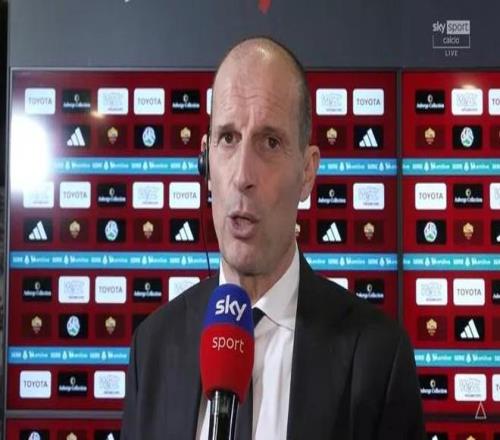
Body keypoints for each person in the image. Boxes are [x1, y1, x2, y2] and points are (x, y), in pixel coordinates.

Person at [121, 37, 425, 439]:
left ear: (308, 172)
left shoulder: (378, 358)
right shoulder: (152, 348)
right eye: (228, 138)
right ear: (205, 161)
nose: (242, 176)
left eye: (270, 142)